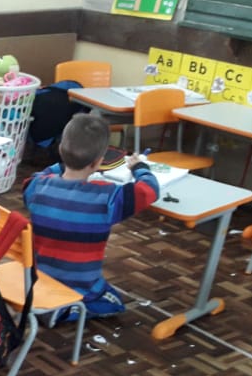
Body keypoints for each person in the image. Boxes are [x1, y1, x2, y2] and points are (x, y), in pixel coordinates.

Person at [23, 112, 159, 320]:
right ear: (97, 163)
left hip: (37, 278)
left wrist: (64, 164)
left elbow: (38, 175)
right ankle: (66, 310)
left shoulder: (36, 187)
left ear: (61, 150)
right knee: (114, 303)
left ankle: (55, 306)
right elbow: (149, 190)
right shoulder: (107, 197)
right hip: (82, 285)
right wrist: (140, 168)